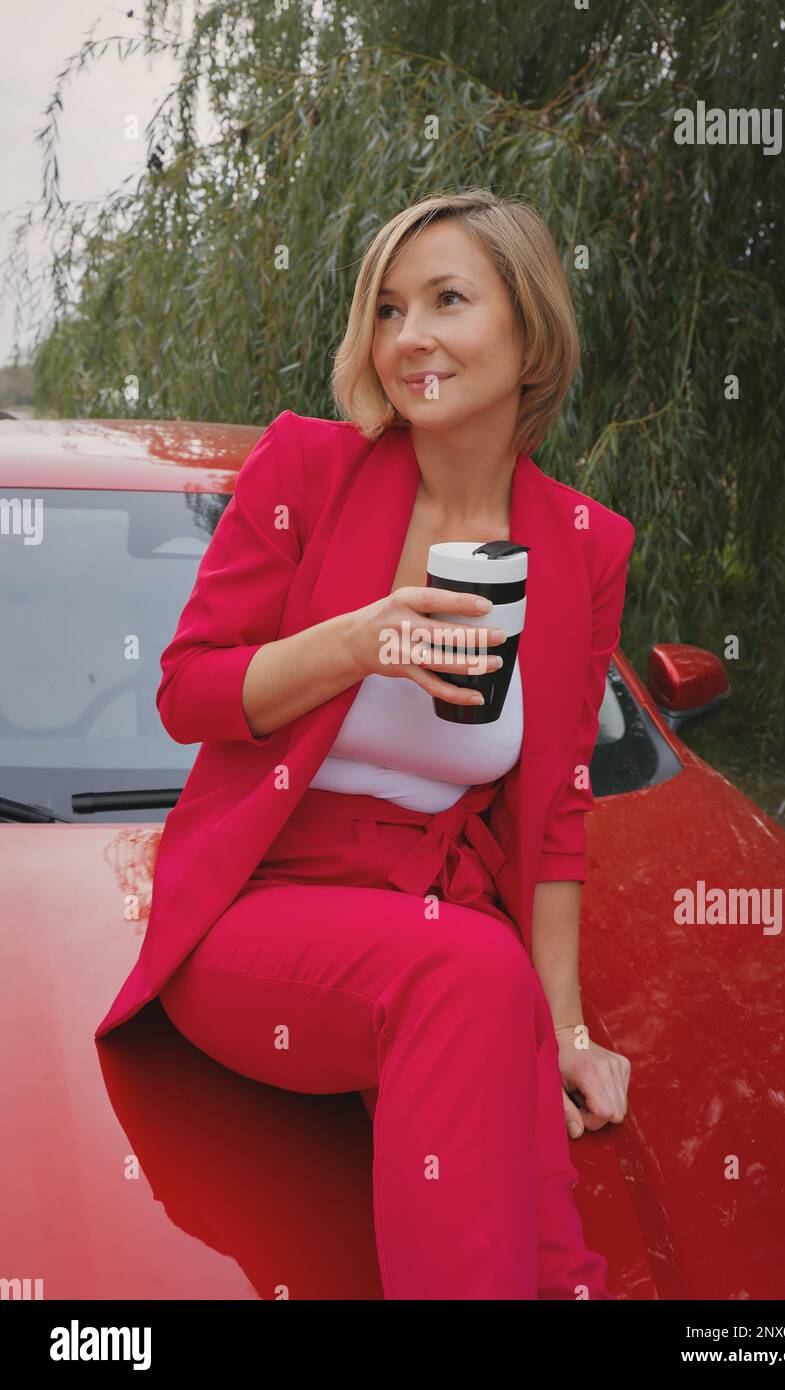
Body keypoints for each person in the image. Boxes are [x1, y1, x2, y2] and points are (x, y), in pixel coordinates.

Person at [96, 187, 634, 1300]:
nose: (408, 338)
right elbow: (188, 692)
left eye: (446, 300)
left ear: (530, 334)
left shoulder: (583, 547)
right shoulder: (305, 472)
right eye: (387, 309)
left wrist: (570, 1026)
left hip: (440, 919)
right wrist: (356, 641)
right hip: (258, 905)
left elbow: (561, 806)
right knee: (470, 976)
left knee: (544, 1220)